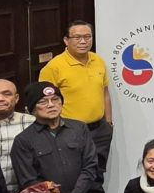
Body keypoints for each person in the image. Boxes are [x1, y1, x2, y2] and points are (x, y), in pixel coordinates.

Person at [12, 81, 103, 193]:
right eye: (43, 102)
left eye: (55, 99)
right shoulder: (23, 140)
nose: (51, 105)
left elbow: (90, 167)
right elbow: (29, 181)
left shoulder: (79, 128)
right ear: (32, 109)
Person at [38, 19, 113, 164]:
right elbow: (44, 103)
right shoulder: (53, 67)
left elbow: (104, 92)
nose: (83, 41)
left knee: (98, 171)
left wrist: (108, 122)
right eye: (77, 37)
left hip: (100, 130)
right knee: (74, 171)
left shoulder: (98, 60)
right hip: (69, 131)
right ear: (66, 40)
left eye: (87, 37)